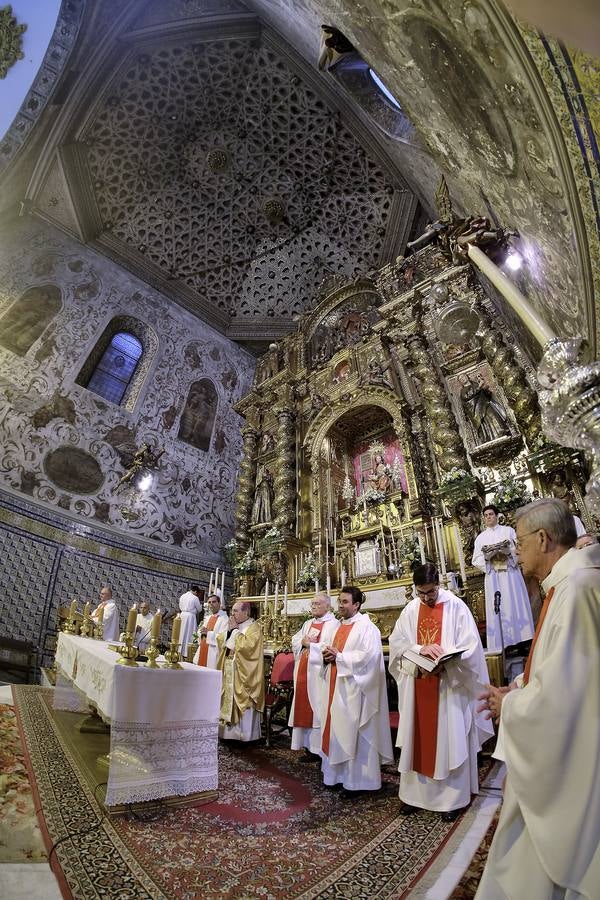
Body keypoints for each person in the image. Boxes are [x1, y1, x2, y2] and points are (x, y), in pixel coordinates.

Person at [476, 499, 600, 898]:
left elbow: (567, 697)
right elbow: (562, 669)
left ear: (544, 539)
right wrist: (517, 688)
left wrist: (509, 707)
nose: (516, 551)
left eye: (521, 542)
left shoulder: (576, 588)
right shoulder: (570, 583)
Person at [389, 563, 493, 820]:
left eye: (430, 592)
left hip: (448, 686)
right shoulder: (411, 609)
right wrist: (418, 649)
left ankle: (451, 800)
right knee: (418, 739)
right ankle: (414, 796)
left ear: (439, 584)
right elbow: (397, 643)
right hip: (419, 685)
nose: (426, 598)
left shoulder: (456, 607)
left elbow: (471, 650)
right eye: (421, 592)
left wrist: (447, 660)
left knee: (449, 740)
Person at [309, 585, 393, 792]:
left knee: (354, 735)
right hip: (335, 685)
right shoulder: (338, 626)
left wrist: (340, 657)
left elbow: (370, 658)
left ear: (357, 604)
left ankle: (357, 782)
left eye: (345, 602)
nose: (341, 606)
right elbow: (329, 649)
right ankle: (336, 776)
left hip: (356, 691)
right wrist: (327, 655)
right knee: (336, 731)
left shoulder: (367, 628)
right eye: (340, 601)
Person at [472, 505, 534, 652]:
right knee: (499, 607)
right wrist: (488, 558)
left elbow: (519, 549)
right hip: (494, 576)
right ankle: (503, 643)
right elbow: (476, 559)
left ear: (497, 516)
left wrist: (508, 551)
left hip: (510, 574)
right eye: (486, 515)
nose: (488, 517)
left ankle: (523, 640)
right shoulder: (481, 538)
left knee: (515, 602)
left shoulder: (508, 531)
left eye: (491, 514)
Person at [289, 593, 338, 758]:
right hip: (303, 672)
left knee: (318, 709)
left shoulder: (334, 624)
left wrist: (313, 645)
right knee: (305, 708)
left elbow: (332, 646)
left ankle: (319, 750)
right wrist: (303, 642)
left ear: (328, 606)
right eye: (312, 604)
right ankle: (308, 748)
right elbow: (296, 640)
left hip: (319, 675)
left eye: (317, 603)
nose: (314, 606)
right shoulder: (308, 623)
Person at [217, 601, 264, 742]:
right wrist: (230, 632)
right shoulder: (235, 625)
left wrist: (235, 632)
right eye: (232, 611)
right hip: (230, 667)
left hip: (244, 673)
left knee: (243, 700)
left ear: (246, 612)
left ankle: (244, 736)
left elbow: (249, 648)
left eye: (236, 611)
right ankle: (227, 734)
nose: (233, 614)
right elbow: (221, 640)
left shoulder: (253, 627)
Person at [460, 373, 510, 444]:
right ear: (460, 382)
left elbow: (483, 393)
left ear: (467, 377)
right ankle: (491, 438)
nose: (462, 378)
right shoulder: (463, 391)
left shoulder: (475, 384)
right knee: (486, 422)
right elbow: (467, 396)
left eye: (463, 376)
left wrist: (485, 390)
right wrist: (480, 386)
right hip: (477, 410)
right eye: (460, 379)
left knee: (494, 416)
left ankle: (502, 432)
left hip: (486, 404)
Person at [193, 593, 228, 669]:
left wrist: (208, 634)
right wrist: (201, 632)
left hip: (213, 653)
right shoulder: (208, 618)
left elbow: (223, 638)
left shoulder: (225, 619)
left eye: (214, 602)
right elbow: (200, 632)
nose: (211, 604)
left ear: (219, 603)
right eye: (209, 602)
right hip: (203, 648)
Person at [178, 585, 203, 657]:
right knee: (189, 634)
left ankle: (178, 650)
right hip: (190, 617)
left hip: (182, 615)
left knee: (181, 633)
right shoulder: (195, 598)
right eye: (197, 593)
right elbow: (199, 609)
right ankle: (186, 652)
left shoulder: (183, 596)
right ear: (195, 591)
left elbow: (180, 605)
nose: (196, 594)